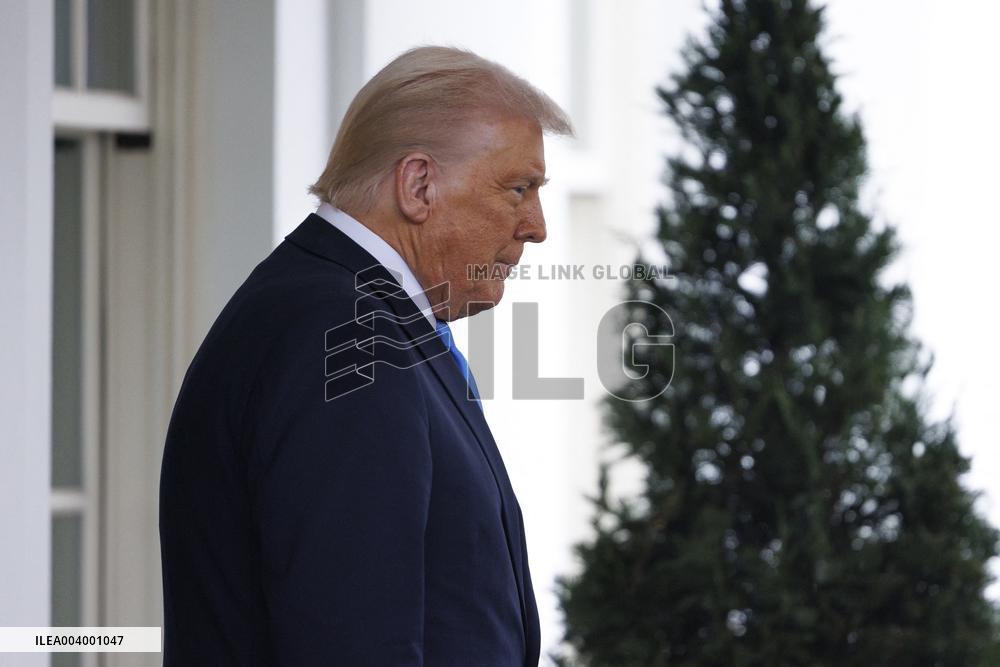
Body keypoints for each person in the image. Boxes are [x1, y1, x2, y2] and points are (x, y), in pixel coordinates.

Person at [158, 45, 573, 665]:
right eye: (518, 188)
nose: (536, 226)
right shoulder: (341, 331)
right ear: (418, 184)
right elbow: (351, 639)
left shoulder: (341, 309)